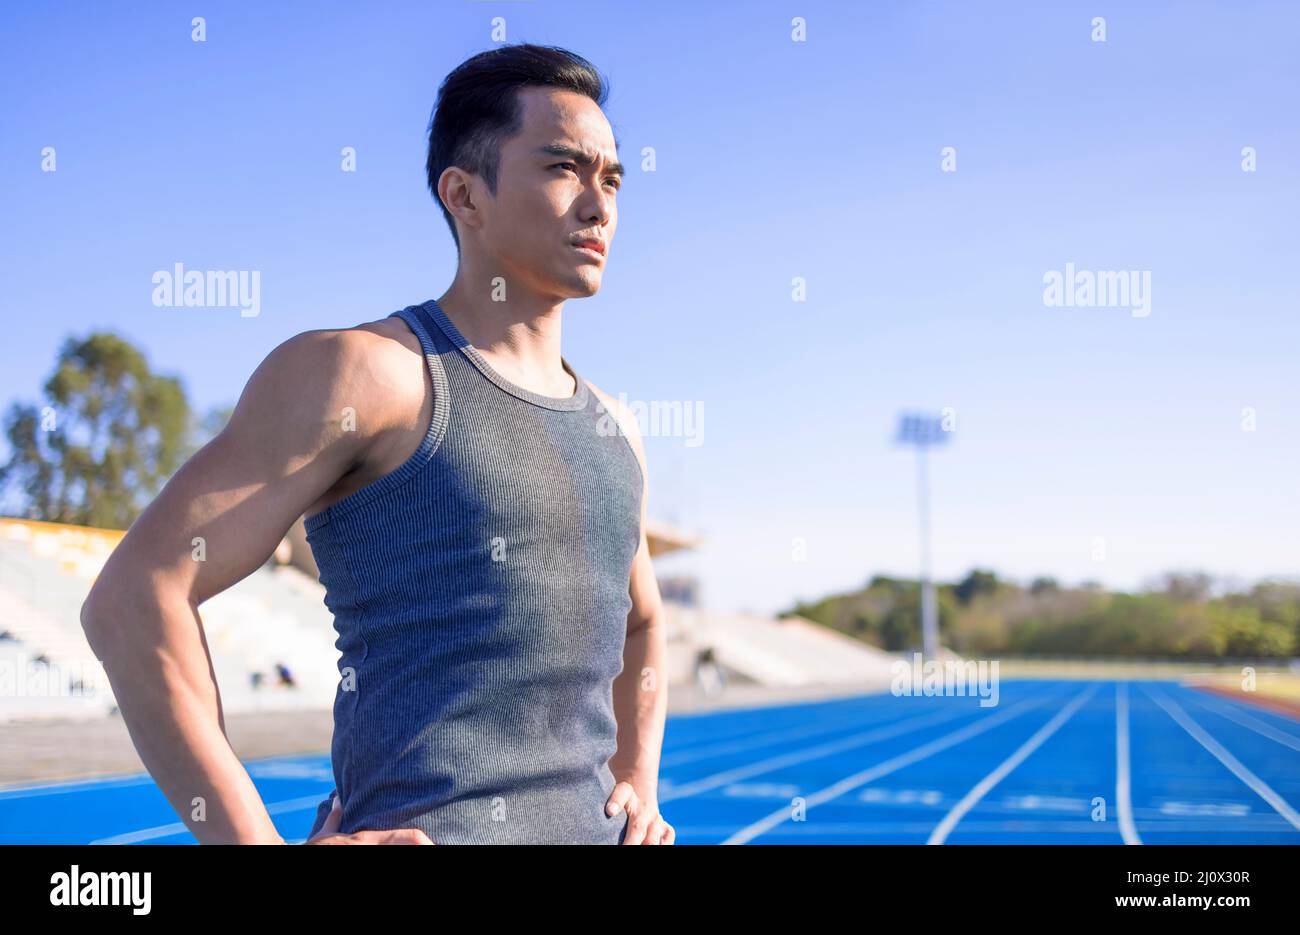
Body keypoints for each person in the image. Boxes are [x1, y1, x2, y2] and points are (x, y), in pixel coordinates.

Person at [80, 43, 673, 845]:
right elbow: (133, 596)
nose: (598, 205)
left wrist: (638, 774)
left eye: (611, 178)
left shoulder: (616, 423)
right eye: (564, 168)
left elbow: (642, 622)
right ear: (464, 195)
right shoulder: (368, 375)